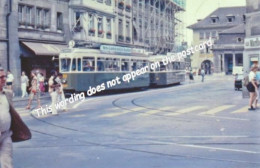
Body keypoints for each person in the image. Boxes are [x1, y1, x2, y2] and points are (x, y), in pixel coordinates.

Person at [0, 67, 13, 168]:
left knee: (7, 164)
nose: (4, 79)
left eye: (4, 76)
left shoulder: (7, 94)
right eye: (1, 77)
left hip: (6, 135)